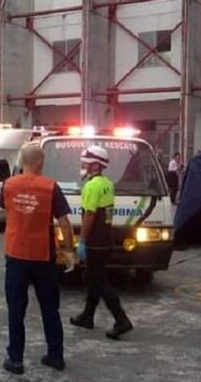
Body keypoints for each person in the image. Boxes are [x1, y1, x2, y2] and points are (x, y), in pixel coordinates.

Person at [1, 144, 74, 375]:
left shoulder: (8, 185)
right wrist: (68, 249)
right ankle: (56, 355)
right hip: (43, 255)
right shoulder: (50, 187)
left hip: (16, 254)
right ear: (40, 162)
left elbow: (7, 209)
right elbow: (64, 222)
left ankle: (15, 359)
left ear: (22, 161)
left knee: (16, 309)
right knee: (50, 308)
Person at [69, 145, 133, 340]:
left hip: (94, 241)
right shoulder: (107, 183)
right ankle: (87, 316)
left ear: (95, 165)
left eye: (86, 162)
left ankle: (121, 320)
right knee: (92, 278)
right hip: (106, 238)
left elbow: (89, 215)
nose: (83, 164)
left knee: (99, 281)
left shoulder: (92, 186)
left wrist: (82, 240)